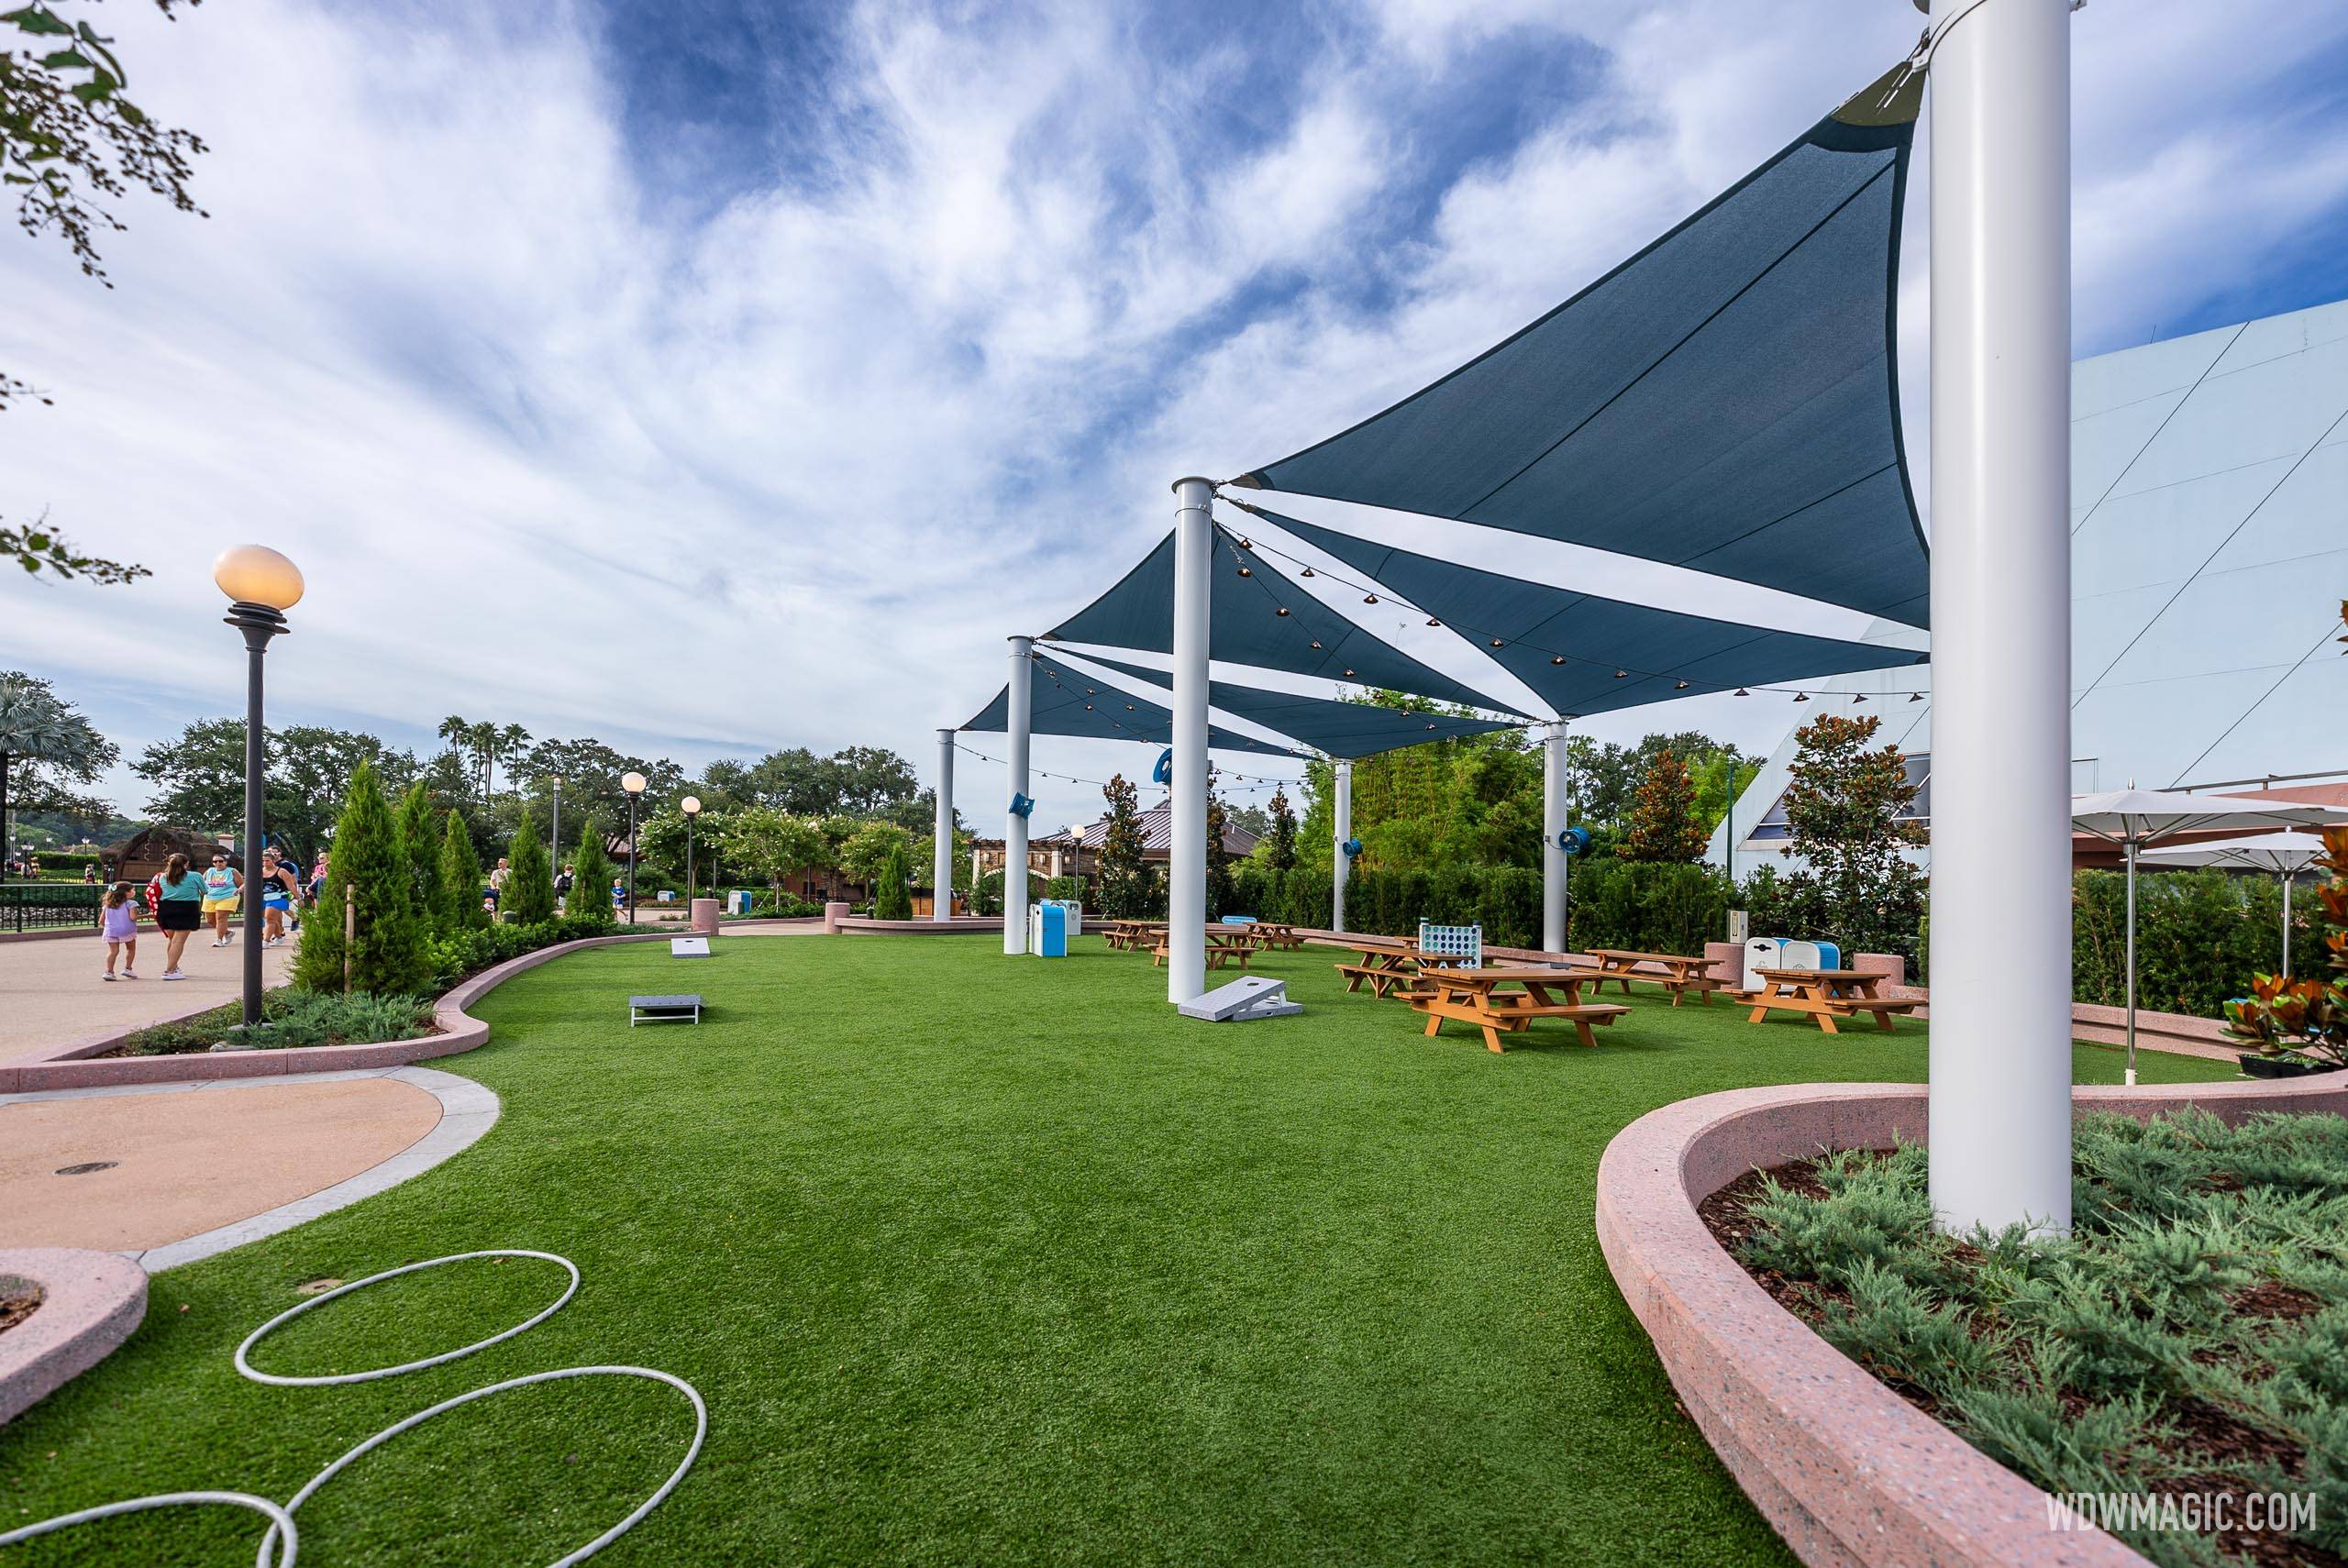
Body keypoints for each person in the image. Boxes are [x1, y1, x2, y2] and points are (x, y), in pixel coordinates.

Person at [153, 852, 205, 978]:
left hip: (166, 908)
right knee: (178, 941)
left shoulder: (162, 877)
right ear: (186, 864)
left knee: (173, 940)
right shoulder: (195, 876)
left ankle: (174, 966)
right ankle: (169, 971)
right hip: (187, 908)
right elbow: (205, 890)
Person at [258, 848, 300, 945]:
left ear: (273, 861)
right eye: (263, 861)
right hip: (264, 898)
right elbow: (248, 882)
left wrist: (298, 898)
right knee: (271, 919)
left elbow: (291, 885)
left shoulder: (282, 871)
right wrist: (240, 889)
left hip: (279, 897)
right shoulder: (259, 871)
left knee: (269, 918)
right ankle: (279, 937)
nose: (265, 863)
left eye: (267, 860)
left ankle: (265, 941)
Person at [99, 881, 139, 980]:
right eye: (132, 890)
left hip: (111, 930)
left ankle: (109, 972)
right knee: (131, 949)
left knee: (113, 952)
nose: (134, 892)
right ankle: (128, 968)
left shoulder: (107, 905)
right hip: (127, 930)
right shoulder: (131, 903)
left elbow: (101, 920)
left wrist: (108, 927)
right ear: (125, 893)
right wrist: (149, 916)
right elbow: (133, 917)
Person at [202, 851, 242, 945]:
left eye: (220, 861)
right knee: (210, 920)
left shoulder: (232, 871)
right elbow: (202, 882)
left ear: (225, 862)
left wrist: (239, 890)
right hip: (210, 897)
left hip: (228, 896)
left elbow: (241, 884)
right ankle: (227, 932)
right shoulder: (209, 871)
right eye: (215, 862)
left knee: (220, 917)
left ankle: (219, 940)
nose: (218, 863)